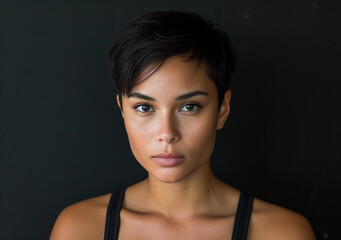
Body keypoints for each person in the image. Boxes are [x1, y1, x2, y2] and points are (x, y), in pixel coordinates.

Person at [50, 11, 316, 240]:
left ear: (222, 109)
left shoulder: (280, 233)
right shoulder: (81, 229)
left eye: (189, 107)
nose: (167, 134)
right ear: (122, 110)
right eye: (145, 108)